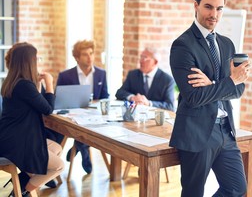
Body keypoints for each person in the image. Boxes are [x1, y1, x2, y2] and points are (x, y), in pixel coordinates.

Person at [169, 0, 252, 197]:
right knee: (193, 193)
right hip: (197, 131)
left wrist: (216, 85)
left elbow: (238, 89)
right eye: (208, 7)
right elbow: (194, 96)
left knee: (237, 188)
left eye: (219, 8)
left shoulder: (227, 45)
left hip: (225, 129)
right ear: (196, 6)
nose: (214, 14)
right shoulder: (183, 45)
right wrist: (228, 82)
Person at [0, 43, 64, 196]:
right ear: (28, 62)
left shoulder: (13, 82)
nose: (38, 62)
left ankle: (21, 181)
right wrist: (49, 83)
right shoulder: (24, 86)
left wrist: (38, 84)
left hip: (11, 137)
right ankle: (21, 192)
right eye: (37, 59)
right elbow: (47, 109)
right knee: (59, 166)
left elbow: (36, 104)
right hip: (18, 142)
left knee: (56, 148)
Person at [56, 39, 109, 174]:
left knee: (93, 127)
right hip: (72, 116)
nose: (89, 57)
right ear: (77, 58)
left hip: (93, 115)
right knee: (80, 127)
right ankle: (83, 150)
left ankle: (79, 146)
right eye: (85, 54)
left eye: (91, 53)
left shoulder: (101, 74)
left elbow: (105, 97)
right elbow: (59, 100)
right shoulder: (65, 76)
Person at [115, 47, 175, 111]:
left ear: (155, 62)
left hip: (155, 119)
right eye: (141, 57)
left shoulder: (167, 80)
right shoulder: (133, 75)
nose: (141, 60)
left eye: (145, 58)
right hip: (135, 117)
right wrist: (132, 97)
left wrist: (149, 103)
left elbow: (170, 105)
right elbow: (119, 93)